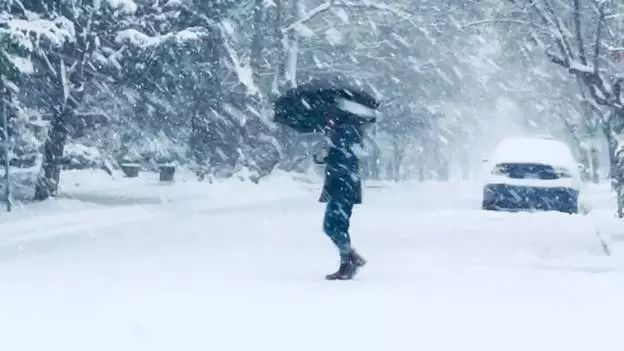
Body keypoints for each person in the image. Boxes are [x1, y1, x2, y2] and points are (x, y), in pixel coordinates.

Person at [314, 114, 367, 280]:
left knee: (333, 226)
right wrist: (324, 156)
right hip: (341, 188)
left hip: (343, 188)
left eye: (329, 120)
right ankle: (350, 259)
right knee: (335, 226)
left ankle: (348, 261)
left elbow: (344, 163)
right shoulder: (341, 135)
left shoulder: (345, 133)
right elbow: (338, 159)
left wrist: (330, 154)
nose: (326, 124)